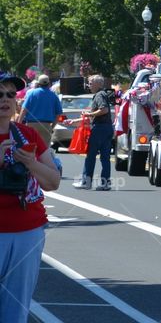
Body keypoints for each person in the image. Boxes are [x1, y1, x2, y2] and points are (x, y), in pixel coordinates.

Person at [0, 71, 61, 323]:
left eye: (10, 94)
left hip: (27, 231)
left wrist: (30, 163)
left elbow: (53, 182)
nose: (5, 99)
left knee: (16, 307)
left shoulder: (27, 135)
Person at [73, 75, 115, 190]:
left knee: (91, 155)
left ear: (98, 84)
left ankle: (86, 182)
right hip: (107, 128)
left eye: (91, 83)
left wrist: (89, 114)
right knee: (105, 157)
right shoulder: (103, 94)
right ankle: (105, 183)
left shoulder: (99, 95)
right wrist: (74, 120)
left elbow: (104, 109)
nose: (88, 85)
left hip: (99, 129)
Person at [18, 74, 61, 146]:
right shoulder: (54, 95)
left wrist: (18, 123)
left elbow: (24, 110)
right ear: (49, 83)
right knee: (44, 150)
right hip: (46, 125)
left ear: (38, 83)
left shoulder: (31, 93)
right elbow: (58, 114)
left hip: (31, 125)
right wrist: (52, 126)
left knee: (31, 148)